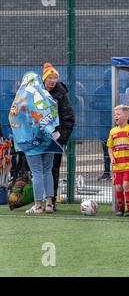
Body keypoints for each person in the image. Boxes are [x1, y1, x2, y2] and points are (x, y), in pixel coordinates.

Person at [9, 72, 63, 214]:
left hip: (31, 141)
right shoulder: (45, 94)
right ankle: (50, 204)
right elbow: (54, 112)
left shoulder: (21, 98)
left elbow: (14, 118)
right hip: (48, 139)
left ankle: (38, 205)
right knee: (47, 171)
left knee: (37, 172)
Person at [42, 63, 75, 209]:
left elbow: (69, 118)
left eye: (55, 78)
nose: (52, 80)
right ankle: (37, 200)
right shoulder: (36, 93)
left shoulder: (62, 94)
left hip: (55, 139)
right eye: (50, 77)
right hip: (37, 139)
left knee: (53, 169)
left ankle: (51, 201)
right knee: (36, 169)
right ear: (44, 79)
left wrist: (61, 139)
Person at [107, 105, 129, 217]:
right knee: (118, 187)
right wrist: (111, 157)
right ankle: (120, 209)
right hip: (117, 165)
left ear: (127, 115)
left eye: (118, 114)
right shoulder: (113, 131)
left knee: (126, 185)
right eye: (115, 114)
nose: (116, 116)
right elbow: (110, 146)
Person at [90, 69, 112, 180]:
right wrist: (106, 106)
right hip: (105, 123)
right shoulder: (100, 90)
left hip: (118, 123)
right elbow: (92, 104)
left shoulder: (118, 89)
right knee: (106, 148)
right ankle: (107, 172)